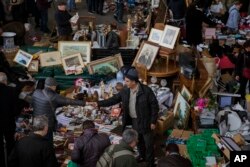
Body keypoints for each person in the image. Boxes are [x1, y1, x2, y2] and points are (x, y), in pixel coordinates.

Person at [94, 67, 159, 167]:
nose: (125, 82)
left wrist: (153, 122)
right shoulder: (125, 90)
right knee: (138, 142)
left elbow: (155, 106)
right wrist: (98, 103)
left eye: (127, 81)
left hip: (146, 122)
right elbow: (113, 99)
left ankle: (150, 164)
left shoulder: (146, 91)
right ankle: (142, 157)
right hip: (134, 121)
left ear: (134, 81)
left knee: (149, 145)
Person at [32, 77, 89, 142]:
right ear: (53, 86)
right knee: (47, 142)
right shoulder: (54, 96)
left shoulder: (36, 92)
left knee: (36, 139)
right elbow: (69, 101)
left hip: (36, 121)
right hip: (47, 123)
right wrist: (85, 103)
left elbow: (33, 104)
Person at [0, 72, 22, 167]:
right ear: (5, 81)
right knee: (10, 144)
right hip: (8, 123)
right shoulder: (11, 90)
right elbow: (16, 111)